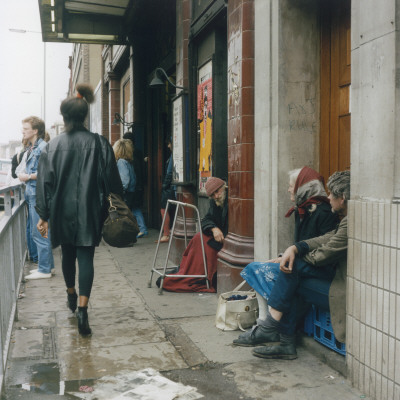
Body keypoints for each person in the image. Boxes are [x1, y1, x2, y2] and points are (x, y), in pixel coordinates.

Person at [35, 84, 123, 336]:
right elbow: (113, 182)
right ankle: (83, 309)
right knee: (86, 258)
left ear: (64, 118)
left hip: (61, 211)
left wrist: (43, 215)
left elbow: (44, 183)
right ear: (84, 115)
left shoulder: (51, 148)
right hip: (90, 210)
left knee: (67, 256)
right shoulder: (99, 143)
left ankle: (71, 294)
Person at [234, 170, 350, 360]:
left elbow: (325, 254)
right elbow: (325, 238)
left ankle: (272, 328)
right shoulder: (342, 219)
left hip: (340, 287)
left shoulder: (344, 220)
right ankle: (283, 340)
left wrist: (292, 257)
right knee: (292, 274)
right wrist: (295, 249)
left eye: (332, 195)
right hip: (328, 277)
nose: (328, 197)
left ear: (343, 198)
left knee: (293, 269)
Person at [239, 166, 339, 310]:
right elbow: (299, 244)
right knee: (256, 269)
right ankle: (269, 319)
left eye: (291, 186)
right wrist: (284, 256)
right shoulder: (302, 210)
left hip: (319, 269)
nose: (288, 190)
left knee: (258, 269)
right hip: (304, 265)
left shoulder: (325, 213)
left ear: (302, 188)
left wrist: (286, 259)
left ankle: (273, 321)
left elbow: (323, 250)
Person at [161, 177, 228, 293]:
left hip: (226, 242)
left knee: (201, 240)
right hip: (218, 238)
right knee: (198, 238)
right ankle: (188, 270)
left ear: (224, 188)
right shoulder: (215, 202)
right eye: (212, 195)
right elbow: (207, 219)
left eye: (217, 192)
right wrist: (214, 228)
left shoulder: (232, 200)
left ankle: (197, 274)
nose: (216, 196)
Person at [19, 116, 54, 280]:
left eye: (26, 129)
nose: (23, 131)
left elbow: (47, 173)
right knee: (38, 230)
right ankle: (47, 266)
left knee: (38, 231)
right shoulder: (35, 147)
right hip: (33, 193)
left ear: (35, 131)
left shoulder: (42, 148)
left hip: (37, 194)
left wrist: (28, 176)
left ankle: (45, 269)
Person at [123, 131, 148, 238]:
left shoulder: (130, 155)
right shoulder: (138, 152)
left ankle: (140, 228)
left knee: (133, 208)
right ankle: (140, 228)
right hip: (139, 184)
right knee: (135, 208)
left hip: (134, 186)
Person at [158, 137, 175, 243]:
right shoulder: (173, 155)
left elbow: (169, 172)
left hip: (170, 186)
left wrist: (164, 185)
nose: (168, 146)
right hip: (173, 186)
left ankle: (166, 234)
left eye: (170, 143)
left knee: (164, 208)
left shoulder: (173, 156)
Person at [113, 139, 136, 209]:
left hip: (125, 195)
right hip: (130, 193)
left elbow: (125, 181)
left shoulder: (121, 162)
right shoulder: (128, 162)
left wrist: (118, 194)